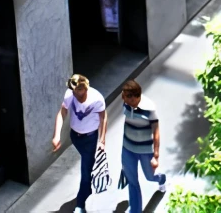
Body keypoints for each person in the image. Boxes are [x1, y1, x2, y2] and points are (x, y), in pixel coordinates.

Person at [52, 73, 108, 211]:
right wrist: (57, 135)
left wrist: (102, 141)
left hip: (90, 139)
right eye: (73, 90)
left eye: (78, 90)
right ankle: (88, 188)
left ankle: (80, 203)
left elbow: (103, 118)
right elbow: (62, 112)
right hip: (75, 137)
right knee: (87, 167)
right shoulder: (70, 95)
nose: (75, 93)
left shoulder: (97, 99)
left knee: (85, 169)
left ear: (85, 88)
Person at [118, 79, 165, 212]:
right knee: (132, 182)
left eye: (127, 98)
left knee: (150, 177)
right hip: (127, 149)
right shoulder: (126, 103)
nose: (124, 100)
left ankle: (161, 178)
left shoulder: (149, 108)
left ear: (136, 97)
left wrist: (156, 155)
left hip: (145, 150)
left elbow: (156, 132)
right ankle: (136, 210)